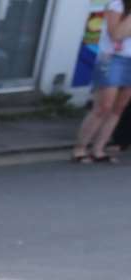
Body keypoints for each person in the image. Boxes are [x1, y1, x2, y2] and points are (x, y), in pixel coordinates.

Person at [72, 0, 131, 164]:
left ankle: (98, 149)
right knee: (103, 106)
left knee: (119, 108)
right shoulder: (118, 5)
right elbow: (116, 34)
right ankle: (80, 148)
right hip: (113, 59)